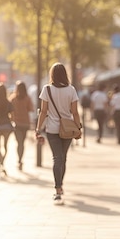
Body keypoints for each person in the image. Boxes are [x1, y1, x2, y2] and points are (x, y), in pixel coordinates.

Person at [35, 63, 82, 205]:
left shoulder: (47, 89)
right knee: (63, 158)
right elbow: (74, 112)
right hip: (67, 129)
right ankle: (60, 185)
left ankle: (58, 188)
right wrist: (79, 128)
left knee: (57, 158)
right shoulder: (71, 90)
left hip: (52, 129)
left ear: (52, 74)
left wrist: (38, 128)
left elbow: (43, 111)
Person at [10, 81, 34, 170]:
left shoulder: (13, 98)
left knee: (19, 143)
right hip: (25, 123)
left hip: (16, 123)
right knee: (22, 143)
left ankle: (19, 160)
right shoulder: (27, 98)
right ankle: (20, 160)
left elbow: (10, 111)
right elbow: (31, 109)